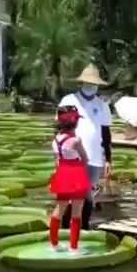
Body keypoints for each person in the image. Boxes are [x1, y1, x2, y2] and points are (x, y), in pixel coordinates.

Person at [57, 64, 113, 230]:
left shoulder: (103, 106)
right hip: (71, 156)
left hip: (94, 158)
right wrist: (58, 153)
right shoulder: (69, 101)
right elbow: (59, 128)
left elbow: (106, 133)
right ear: (81, 83)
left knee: (87, 195)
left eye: (94, 84)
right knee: (70, 194)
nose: (90, 87)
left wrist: (108, 159)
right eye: (88, 83)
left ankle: (84, 228)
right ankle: (66, 230)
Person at [46, 106, 90, 251]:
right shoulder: (76, 141)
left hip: (62, 174)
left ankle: (54, 244)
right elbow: (85, 159)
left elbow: (57, 160)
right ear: (75, 122)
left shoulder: (55, 140)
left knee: (59, 209)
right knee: (76, 212)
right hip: (76, 175)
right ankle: (74, 247)